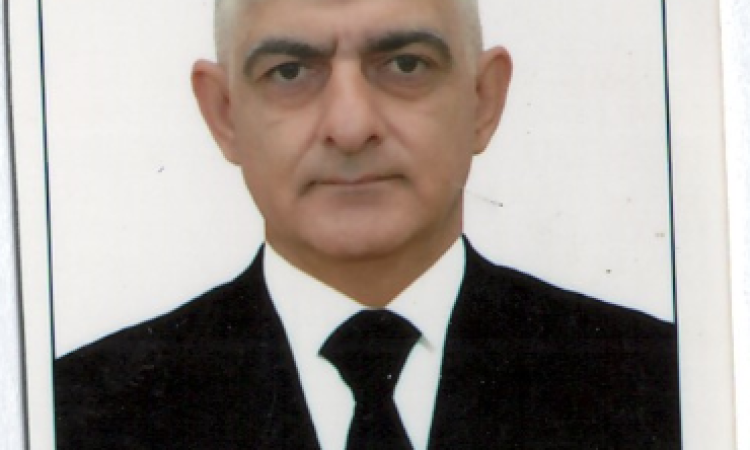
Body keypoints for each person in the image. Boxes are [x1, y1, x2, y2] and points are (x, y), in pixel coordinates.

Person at [54, 0, 680, 448]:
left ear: (483, 100)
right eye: (290, 72)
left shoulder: (664, 382)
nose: (351, 127)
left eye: (405, 64)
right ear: (223, 114)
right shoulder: (72, 413)